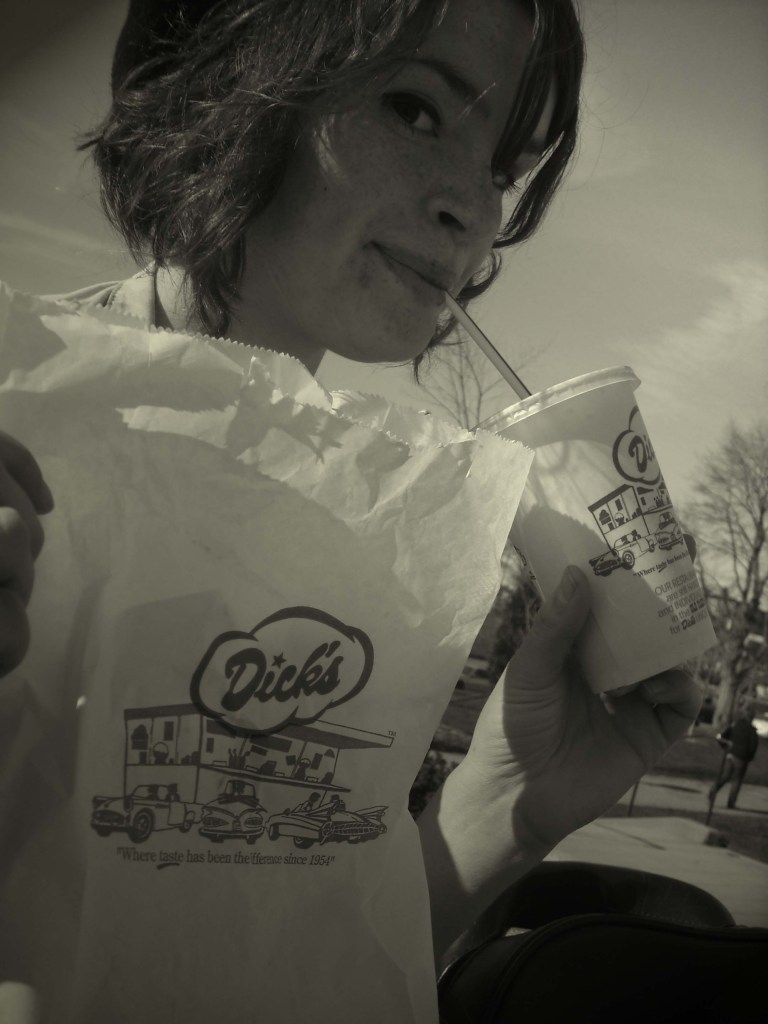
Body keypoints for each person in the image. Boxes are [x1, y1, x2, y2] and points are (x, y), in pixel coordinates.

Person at [0, 1, 703, 1020]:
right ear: (230, 80)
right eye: (415, 109)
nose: (473, 210)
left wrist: (510, 802)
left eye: (504, 168)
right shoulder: (27, 418)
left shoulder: (381, 508)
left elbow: (310, 953)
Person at [709, 708, 760, 809]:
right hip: (741, 757)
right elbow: (753, 745)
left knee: (725, 776)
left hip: (730, 754)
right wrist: (749, 757)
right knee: (737, 780)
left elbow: (722, 737)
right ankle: (731, 803)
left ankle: (713, 790)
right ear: (751, 717)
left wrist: (726, 747)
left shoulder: (735, 725)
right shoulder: (751, 730)